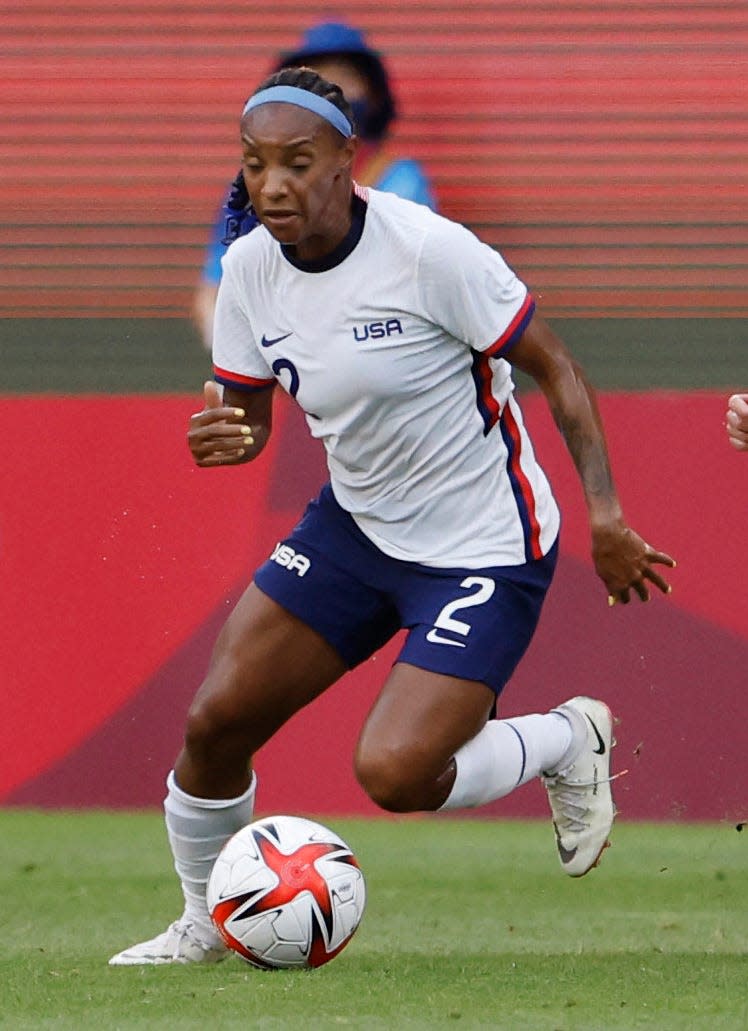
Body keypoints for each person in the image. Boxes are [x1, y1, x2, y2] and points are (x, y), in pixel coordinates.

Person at [109, 67, 675, 966]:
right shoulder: (250, 264)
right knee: (215, 722)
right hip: (356, 527)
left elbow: (558, 369)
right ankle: (204, 922)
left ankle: (571, 735)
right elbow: (254, 412)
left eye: (298, 162)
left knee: (397, 772)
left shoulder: (428, 251)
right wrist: (232, 435)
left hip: (482, 544)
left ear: (347, 161)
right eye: (256, 165)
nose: (274, 185)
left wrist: (604, 514)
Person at [192, 20, 436, 351]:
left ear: (373, 95)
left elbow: (420, 283)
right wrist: (245, 357)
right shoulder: (258, 188)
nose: (335, 91)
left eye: (346, 80)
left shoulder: (402, 180)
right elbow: (215, 290)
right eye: (319, 81)